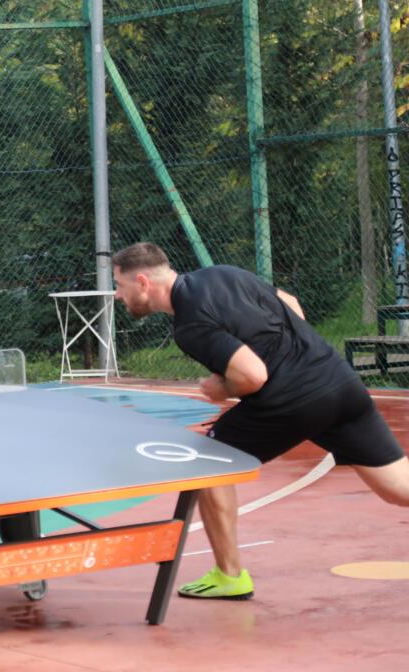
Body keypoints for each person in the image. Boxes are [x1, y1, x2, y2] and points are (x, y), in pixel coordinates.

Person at [111, 242, 409, 599]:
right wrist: (295, 359)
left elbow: (252, 375)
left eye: (119, 285)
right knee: (398, 488)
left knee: (209, 463)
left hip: (292, 401)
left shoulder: (190, 325)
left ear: (143, 282)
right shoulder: (223, 273)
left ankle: (230, 576)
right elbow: (290, 304)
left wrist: (221, 388)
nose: (117, 295)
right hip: (338, 381)